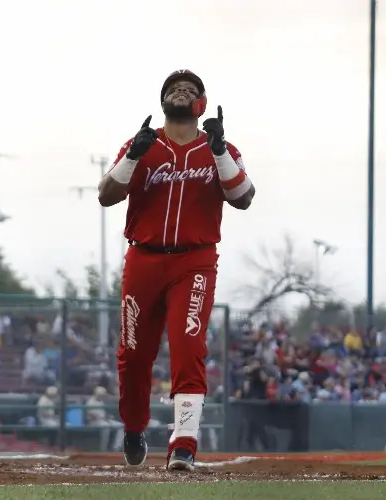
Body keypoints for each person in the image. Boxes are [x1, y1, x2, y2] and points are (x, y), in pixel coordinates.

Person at [97, 69, 255, 471]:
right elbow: (106, 195)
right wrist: (133, 156)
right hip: (143, 259)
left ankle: (183, 442)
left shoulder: (220, 147)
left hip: (194, 260)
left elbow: (244, 198)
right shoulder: (141, 145)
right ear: (162, 101)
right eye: (173, 88)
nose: (181, 91)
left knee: (188, 345)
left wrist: (219, 152)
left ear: (201, 104)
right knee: (133, 355)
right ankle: (134, 427)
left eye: (190, 89)